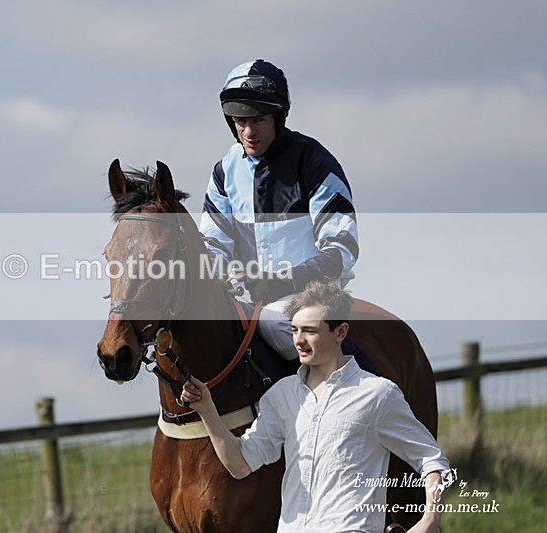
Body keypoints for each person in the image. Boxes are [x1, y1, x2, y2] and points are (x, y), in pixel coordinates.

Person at [180, 281, 451, 533]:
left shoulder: (378, 394)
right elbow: (240, 465)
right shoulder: (281, 396)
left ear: (340, 332)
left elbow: (432, 460)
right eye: (295, 329)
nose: (298, 340)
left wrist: (429, 518)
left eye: (310, 331)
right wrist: (207, 410)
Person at [200, 59, 359, 360]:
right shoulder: (224, 170)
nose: (249, 131)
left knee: (274, 324)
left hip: (311, 296)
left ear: (278, 117)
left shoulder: (314, 162)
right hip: (246, 294)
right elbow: (212, 243)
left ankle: (351, 385)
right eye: (240, 121)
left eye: (258, 120)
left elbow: (342, 246)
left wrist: (284, 280)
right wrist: (221, 277)